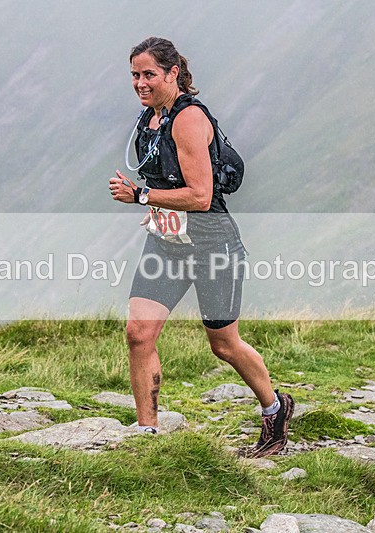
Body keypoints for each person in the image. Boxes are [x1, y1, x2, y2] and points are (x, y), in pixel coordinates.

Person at [108, 37, 293, 458]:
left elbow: (200, 196)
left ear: (173, 73)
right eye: (135, 75)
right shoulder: (149, 118)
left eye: (149, 74)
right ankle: (147, 435)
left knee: (224, 344)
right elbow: (167, 186)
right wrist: (154, 209)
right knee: (139, 333)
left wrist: (140, 196)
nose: (140, 83)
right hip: (168, 245)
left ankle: (275, 409)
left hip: (213, 246)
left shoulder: (188, 119)